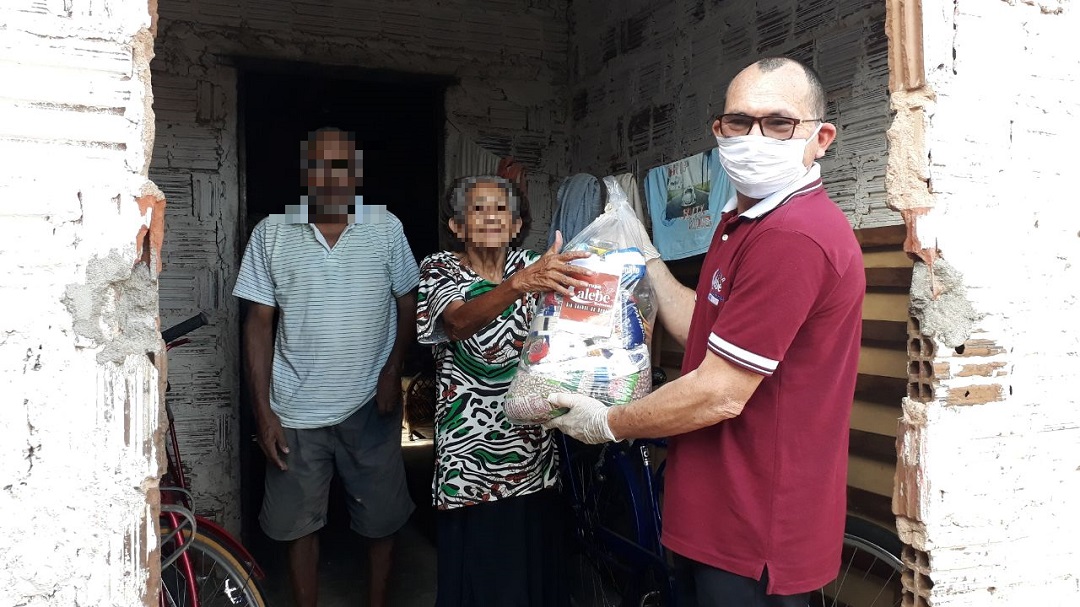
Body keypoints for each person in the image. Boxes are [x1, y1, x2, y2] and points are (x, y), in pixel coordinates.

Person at [545, 57, 866, 607]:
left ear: (821, 138)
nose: (754, 137)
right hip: (713, 512)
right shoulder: (743, 218)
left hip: (754, 529)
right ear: (718, 131)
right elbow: (705, 325)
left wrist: (608, 422)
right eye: (738, 122)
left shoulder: (793, 236)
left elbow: (719, 392)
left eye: (779, 123)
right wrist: (645, 254)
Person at [233, 127, 418, 607]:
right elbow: (257, 324)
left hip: (369, 406)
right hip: (294, 412)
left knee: (381, 521)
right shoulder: (272, 233)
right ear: (304, 174)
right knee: (298, 527)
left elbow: (407, 302)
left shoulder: (385, 228)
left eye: (340, 167)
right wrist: (264, 414)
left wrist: (392, 371)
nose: (330, 178)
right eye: (319, 166)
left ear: (355, 174)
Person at [417, 175, 589, 607]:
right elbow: (455, 323)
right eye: (478, 209)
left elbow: (572, 328)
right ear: (457, 226)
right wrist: (519, 285)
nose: (491, 217)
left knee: (531, 578)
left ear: (516, 226)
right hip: (469, 463)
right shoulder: (441, 268)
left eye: (502, 210)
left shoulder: (533, 265)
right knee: (482, 582)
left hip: (531, 457)